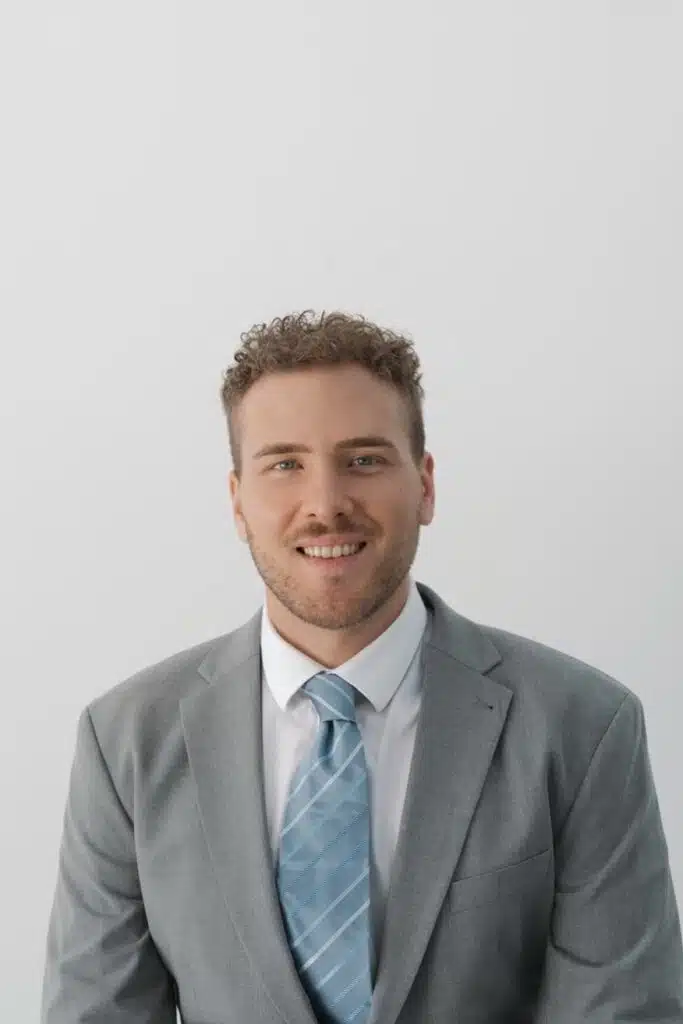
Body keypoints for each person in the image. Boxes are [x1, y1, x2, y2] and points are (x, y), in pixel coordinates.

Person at [41, 309, 683, 1023]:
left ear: (425, 485)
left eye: (364, 460)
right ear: (237, 503)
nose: (325, 505)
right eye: (285, 464)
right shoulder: (126, 741)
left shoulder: (583, 727)